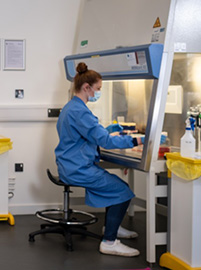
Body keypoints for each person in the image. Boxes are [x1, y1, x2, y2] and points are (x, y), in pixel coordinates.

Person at [54, 62, 141, 257]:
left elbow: (85, 136)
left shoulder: (71, 108)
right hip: (78, 169)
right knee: (123, 191)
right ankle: (109, 242)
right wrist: (137, 139)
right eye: (98, 89)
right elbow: (105, 141)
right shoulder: (80, 112)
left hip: (70, 164)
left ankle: (113, 228)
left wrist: (109, 130)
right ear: (86, 87)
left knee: (114, 186)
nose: (98, 92)